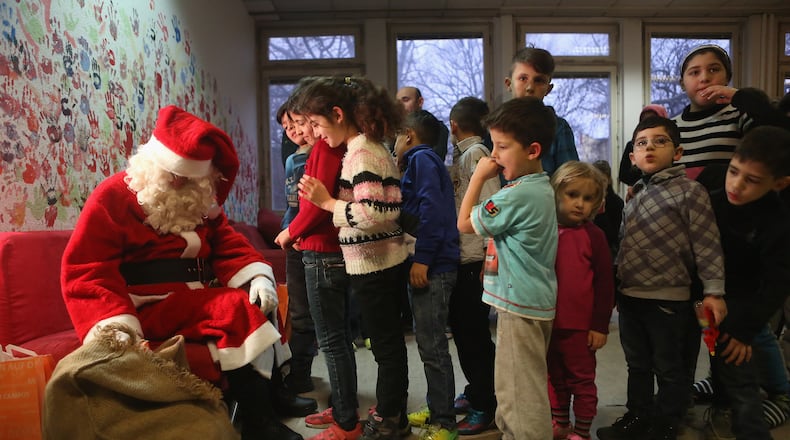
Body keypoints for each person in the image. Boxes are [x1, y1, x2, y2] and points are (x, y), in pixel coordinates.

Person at [59, 105, 312, 440]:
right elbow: (87, 268)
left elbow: (227, 244)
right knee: (233, 307)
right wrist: (114, 323)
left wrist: (256, 276)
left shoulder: (200, 199)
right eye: (171, 174)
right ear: (152, 162)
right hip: (146, 303)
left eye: (186, 177)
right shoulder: (113, 195)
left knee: (257, 296)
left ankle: (274, 393)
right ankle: (257, 423)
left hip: (193, 297)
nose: (178, 182)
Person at [596, 116, 727, 440]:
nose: (649, 147)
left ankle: (668, 421)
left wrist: (714, 292)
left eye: (660, 141)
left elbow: (708, 245)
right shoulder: (635, 194)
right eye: (642, 143)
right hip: (631, 297)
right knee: (637, 364)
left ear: (677, 152)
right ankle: (638, 415)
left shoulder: (690, 192)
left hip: (669, 298)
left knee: (669, 367)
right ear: (632, 157)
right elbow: (624, 244)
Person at [297, 76, 411, 440]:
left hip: (377, 264)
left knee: (386, 347)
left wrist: (327, 203)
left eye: (317, 123)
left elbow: (376, 211)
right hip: (373, 262)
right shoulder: (363, 146)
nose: (314, 133)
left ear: (338, 113)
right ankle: (393, 414)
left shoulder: (361, 150)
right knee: (386, 344)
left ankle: (391, 419)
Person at [457, 96, 559, 440]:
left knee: (521, 395)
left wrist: (478, 175)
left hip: (521, 305)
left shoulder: (517, 195)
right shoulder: (533, 187)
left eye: (502, 146)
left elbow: (464, 222)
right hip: (526, 302)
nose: (494, 155)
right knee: (511, 388)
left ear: (532, 150)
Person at [274, 78, 361, 440]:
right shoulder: (329, 149)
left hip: (323, 253)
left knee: (332, 341)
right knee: (335, 338)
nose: (305, 131)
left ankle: (346, 422)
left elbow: (317, 210)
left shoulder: (326, 151)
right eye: (298, 124)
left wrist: (289, 233)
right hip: (325, 252)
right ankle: (344, 408)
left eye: (310, 122)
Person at [700, 126, 790, 439]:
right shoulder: (711, 194)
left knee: (740, 375)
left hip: (744, 304)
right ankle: (719, 390)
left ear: (779, 184)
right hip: (711, 297)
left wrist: (743, 331)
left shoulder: (778, 222)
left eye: (751, 180)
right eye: (734, 171)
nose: (736, 185)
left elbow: (776, 285)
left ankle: (762, 417)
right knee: (717, 355)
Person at [394, 109, 460, 440]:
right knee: (427, 342)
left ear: (408, 135)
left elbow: (432, 212)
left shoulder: (422, 161)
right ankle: (437, 407)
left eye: (396, 136)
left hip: (433, 267)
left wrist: (422, 260)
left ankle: (445, 422)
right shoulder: (421, 162)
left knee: (433, 346)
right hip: (429, 262)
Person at [548, 161, 615, 440]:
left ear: (597, 203)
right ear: (555, 195)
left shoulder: (594, 236)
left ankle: (583, 431)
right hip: (548, 322)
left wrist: (600, 326)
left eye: (588, 199)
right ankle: (561, 422)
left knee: (582, 381)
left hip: (580, 327)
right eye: (572, 195)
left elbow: (605, 284)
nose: (579, 204)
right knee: (554, 378)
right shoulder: (545, 230)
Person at [445, 96, 498, 435]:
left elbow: (492, 206)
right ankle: (476, 390)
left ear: (453, 126)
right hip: (464, 257)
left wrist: (488, 256)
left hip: (475, 260)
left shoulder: (477, 156)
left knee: (474, 335)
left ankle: (485, 403)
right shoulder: (466, 155)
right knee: (464, 333)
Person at [673, 44, 786, 180]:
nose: (704, 78)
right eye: (694, 72)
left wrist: (740, 97)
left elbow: (780, 135)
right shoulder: (670, 127)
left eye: (714, 70)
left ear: (727, 78)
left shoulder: (741, 116)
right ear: (683, 84)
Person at [278, 101, 318, 395]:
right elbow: (293, 204)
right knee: (299, 311)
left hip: (307, 239)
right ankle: (300, 371)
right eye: (286, 127)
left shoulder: (319, 155)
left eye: (296, 123)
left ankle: (301, 372)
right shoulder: (294, 158)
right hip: (293, 239)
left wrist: (296, 231)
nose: (293, 131)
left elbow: (311, 204)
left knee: (308, 313)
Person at [504, 47, 579, 175]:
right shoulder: (496, 128)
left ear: (548, 89)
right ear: (508, 84)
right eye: (523, 79)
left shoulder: (559, 128)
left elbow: (570, 180)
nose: (530, 88)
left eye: (538, 80)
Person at [618, 104, 669, 188]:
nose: (648, 124)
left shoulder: (669, 144)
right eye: (644, 121)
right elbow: (623, 175)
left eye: (653, 120)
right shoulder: (632, 145)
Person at [396, 86, 450, 161]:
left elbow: (435, 160)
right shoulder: (394, 129)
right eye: (398, 102)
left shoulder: (438, 128)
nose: (400, 106)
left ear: (420, 102)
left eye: (405, 100)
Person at [591, 159, 624, 259]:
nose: (599, 185)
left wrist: (601, 213)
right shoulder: (585, 200)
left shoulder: (617, 203)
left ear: (609, 180)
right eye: (595, 181)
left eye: (603, 181)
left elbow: (613, 237)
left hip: (607, 251)